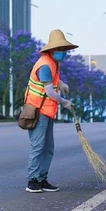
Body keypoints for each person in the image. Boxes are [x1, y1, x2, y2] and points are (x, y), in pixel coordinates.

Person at [24, 30, 78, 193]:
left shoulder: (53, 62)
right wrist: (64, 102)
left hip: (47, 112)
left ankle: (42, 179)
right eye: (60, 49)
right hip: (37, 111)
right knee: (38, 146)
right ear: (51, 49)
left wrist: (61, 83)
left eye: (64, 49)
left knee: (48, 148)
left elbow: (53, 81)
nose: (63, 52)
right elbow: (49, 92)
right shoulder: (45, 64)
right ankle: (32, 181)